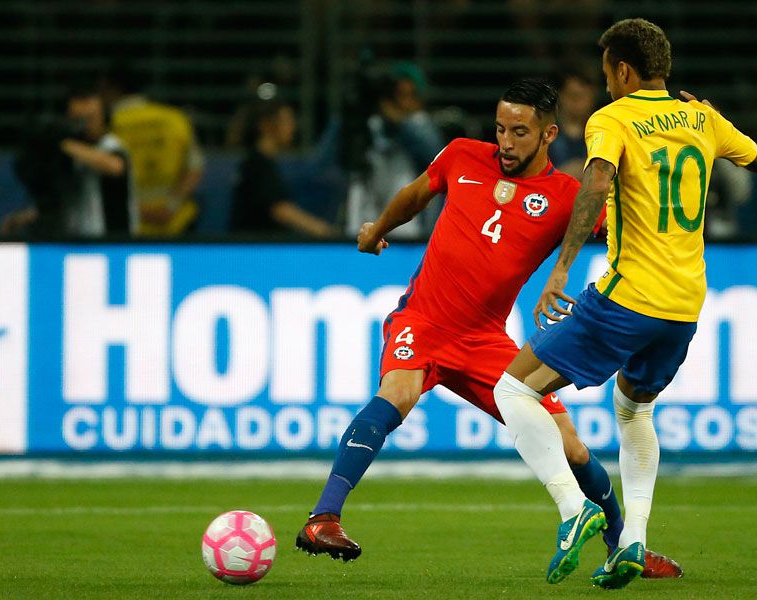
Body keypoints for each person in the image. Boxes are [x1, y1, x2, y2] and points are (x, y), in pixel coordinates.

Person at [295, 78, 682, 579]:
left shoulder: (568, 197)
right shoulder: (461, 155)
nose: (505, 141)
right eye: (500, 128)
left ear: (548, 135)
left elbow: (632, 231)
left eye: (519, 132)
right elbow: (415, 194)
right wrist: (376, 230)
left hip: (485, 341)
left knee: (571, 445)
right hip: (425, 320)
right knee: (399, 390)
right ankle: (323, 518)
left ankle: (623, 547)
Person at [491, 19, 757, 589]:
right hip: (684, 304)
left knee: (513, 388)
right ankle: (633, 542)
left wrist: (564, 268)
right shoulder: (701, 117)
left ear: (623, 70)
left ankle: (576, 511)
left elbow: (596, 186)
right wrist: (712, 119)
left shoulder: (613, 118)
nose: (605, 84)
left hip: (628, 296)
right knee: (634, 410)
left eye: (606, 73)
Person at [6, 84, 134, 237]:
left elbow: (115, 167)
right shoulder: (70, 154)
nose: (85, 124)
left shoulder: (111, 145)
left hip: (115, 242)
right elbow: (66, 203)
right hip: (79, 241)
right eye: (78, 118)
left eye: (90, 117)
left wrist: (62, 142)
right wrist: (26, 217)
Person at [344, 62, 446, 240]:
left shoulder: (420, 124)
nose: (402, 102)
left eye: (409, 95)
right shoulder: (369, 124)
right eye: (397, 95)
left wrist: (398, 122)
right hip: (369, 217)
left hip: (410, 227)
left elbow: (434, 154)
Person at [101, 62, 205, 236]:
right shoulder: (176, 118)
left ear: (111, 88)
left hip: (127, 230)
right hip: (179, 225)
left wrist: (136, 211)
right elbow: (194, 169)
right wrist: (170, 207)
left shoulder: (107, 125)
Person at [229, 99, 338, 237]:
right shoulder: (257, 165)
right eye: (286, 121)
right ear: (266, 125)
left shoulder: (262, 162)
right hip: (254, 251)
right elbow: (280, 209)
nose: (292, 127)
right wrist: (324, 231)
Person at [550, 66, 600, 180]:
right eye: (574, 96)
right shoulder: (546, 135)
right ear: (561, 96)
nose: (579, 103)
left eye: (585, 96)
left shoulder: (602, 132)